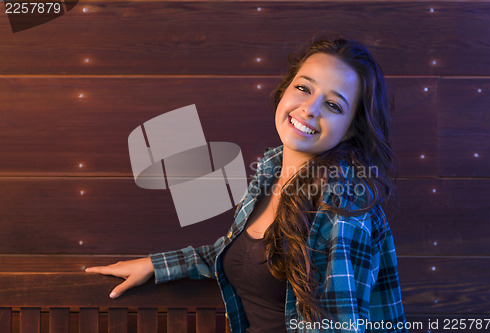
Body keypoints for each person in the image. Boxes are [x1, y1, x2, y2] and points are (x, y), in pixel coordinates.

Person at [86, 32, 407, 332]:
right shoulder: (270, 169)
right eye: (303, 88)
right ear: (285, 90)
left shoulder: (342, 203)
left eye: (333, 105)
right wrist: (156, 265)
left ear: (351, 129)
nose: (309, 109)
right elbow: (240, 254)